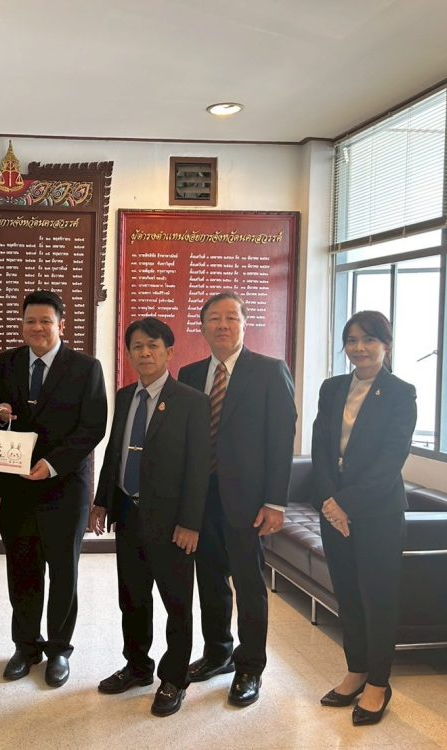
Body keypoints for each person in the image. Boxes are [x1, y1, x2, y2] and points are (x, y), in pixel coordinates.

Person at [177, 291, 296, 707]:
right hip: (201, 499)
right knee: (209, 579)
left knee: (248, 583)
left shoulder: (269, 371)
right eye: (214, 318)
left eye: (231, 317)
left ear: (245, 324)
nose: (223, 325)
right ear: (202, 327)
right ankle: (218, 653)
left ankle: (250, 666)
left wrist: (276, 502)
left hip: (248, 501)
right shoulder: (190, 373)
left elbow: (282, 438)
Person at [0, 290, 107, 688]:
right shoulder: (9, 362)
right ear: (22, 325)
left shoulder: (86, 367)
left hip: (64, 489)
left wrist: (52, 465)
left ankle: (59, 651)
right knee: (22, 571)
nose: (37, 328)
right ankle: (26, 646)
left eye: (45, 321)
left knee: (64, 574)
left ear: (61, 325)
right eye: (30, 321)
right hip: (16, 489)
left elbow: (93, 426)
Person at [90, 318, 211, 717]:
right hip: (128, 514)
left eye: (153, 346)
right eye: (137, 347)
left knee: (177, 604)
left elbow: (199, 467)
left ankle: (174, 678)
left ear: (169, 352)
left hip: (174, 524)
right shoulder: (125, 396)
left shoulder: (191, 401)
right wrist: (102, 500)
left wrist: (191, 523)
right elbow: (115, 451)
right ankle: (137, 666)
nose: (144, 353)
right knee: (133, 598)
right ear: (128, 353)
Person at [310, 310, 416, 726]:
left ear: (386, 345)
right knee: (348, 595)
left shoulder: (400, 393)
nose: (360, 348)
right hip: (333, 509)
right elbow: (320, 447)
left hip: (377, 513)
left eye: (369, 339)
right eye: (352, 340)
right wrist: (328, 501)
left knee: (378, 598)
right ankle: (356, 670)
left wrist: (346, 504)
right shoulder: (332, 387)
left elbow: (391, 460)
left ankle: (378, 683)